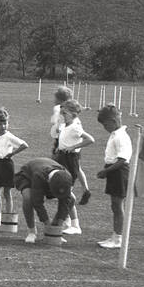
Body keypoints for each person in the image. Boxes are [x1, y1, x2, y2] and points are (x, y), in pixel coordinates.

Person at [14, 157, 76, 245]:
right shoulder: (38, 175)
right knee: (28, 198)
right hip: (27, 175)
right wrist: (47, 223)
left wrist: (57, 227)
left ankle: (55, 229)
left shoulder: (66, 176)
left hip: (49, 176)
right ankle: (31, 232)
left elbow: (66, 201)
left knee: (72, 199)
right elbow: (37, 202)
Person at [54, 98, 94, 235]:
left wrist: (73, 147)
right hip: (61, 158)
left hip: (70, 160)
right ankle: (67, 222)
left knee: (66, 193)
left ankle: (75, 225)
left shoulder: (75, 127)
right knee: (61, 192)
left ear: (73, 114)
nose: (62, 116)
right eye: (62, 113)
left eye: (65, 113)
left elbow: (90, 139)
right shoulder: (65, 126)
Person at [94, 105, 132, 249]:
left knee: (117, 205)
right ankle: (115, 236)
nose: (104, 127)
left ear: (113, 120)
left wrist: (106, 171)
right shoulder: (115, 135)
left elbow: (122, 160)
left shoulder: (121, 137)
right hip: (114, 171)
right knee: (114, 205)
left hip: (119, 172)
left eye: (105, 124)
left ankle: (118, 238)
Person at [0, 109, 27, 225]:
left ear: (8, 123)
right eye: (0, 123)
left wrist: (12, 153)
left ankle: (8, 218)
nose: (3, 126)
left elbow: (24, 145)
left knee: (7, 192)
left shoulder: (9, 136)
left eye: (5, 123)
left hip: (6, 164)